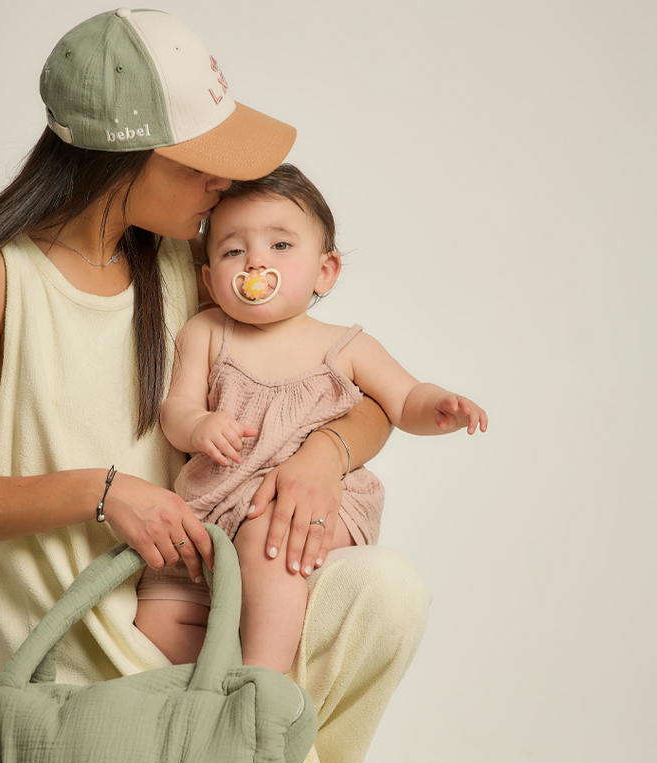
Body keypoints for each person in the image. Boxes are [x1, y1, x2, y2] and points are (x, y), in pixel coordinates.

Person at [0, 9, 432, 763]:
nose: (225, 187)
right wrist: (103, 493)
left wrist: (321, 457)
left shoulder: (189, 263)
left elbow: (366, 395)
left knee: (386, 589)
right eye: (203, 164)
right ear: (123, 156)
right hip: (97, 650)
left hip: (228, 623)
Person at [136, 165, 486, 672]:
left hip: (298, 509)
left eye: (280, 245)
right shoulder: (207, 331)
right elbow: (177, 408)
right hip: (213, 504)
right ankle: (213, 685)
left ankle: (263, 679)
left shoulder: (346, 346)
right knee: (160, 613)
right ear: (210, 278)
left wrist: (438, 406)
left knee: (266, 540)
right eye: (233, 251)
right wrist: (198, 426)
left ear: (326, 271)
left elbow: (405, 398)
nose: (256, 260)